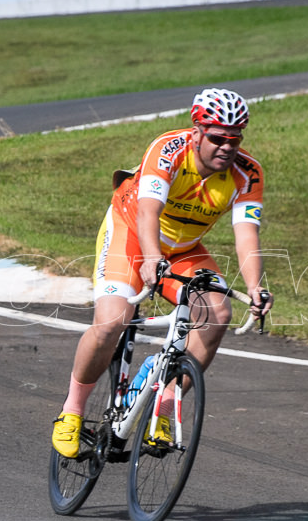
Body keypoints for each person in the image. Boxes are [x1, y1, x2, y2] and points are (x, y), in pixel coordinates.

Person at [52, 87, 273, 457]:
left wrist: (255, 287)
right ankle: (71, 411)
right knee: (111, 323)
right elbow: (147, 213)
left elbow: (247, 236)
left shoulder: (247, 173)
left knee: (217, 313)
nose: (226, 147)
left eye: (234, 140)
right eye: (217, 138)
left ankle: (166, 402)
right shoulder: (168, 150)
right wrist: (152, 258)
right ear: (198, 130)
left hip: (184, 249)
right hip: (132, 234)